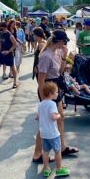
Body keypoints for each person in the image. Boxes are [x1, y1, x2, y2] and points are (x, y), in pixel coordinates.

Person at [32, 29, 79, 163]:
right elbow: (41, 80)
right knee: (46, 123)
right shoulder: (46, 56)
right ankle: (37, 154)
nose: (65, 44)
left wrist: (64, 57)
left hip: (55, 88)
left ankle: (62, 147)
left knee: (60, 118)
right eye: (64, 41)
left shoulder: (57, 52)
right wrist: (43, 100)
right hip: (47, 90)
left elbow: (60, 71)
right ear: (58, 41)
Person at [37, 82, 70, 177]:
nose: (57, 94)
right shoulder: (52, 104)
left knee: (46, 151)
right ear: (50, 93)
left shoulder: (41, 104)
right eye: (56, 92)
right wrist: (59, 115)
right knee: (57, 151)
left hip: (44, 134)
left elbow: (37, 116)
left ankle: (46, 169)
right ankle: (59, 169)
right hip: (53, 133)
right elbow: (53, 117)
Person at [0, 21, 19, 88]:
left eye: (0, 27)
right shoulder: (1, 33)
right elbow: (0, 42)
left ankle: (15, 82)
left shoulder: (10, 35)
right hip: (1, 53)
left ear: (3, 27)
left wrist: (8, 51)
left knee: (13, 68)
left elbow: (16, 44)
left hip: (9, 54)